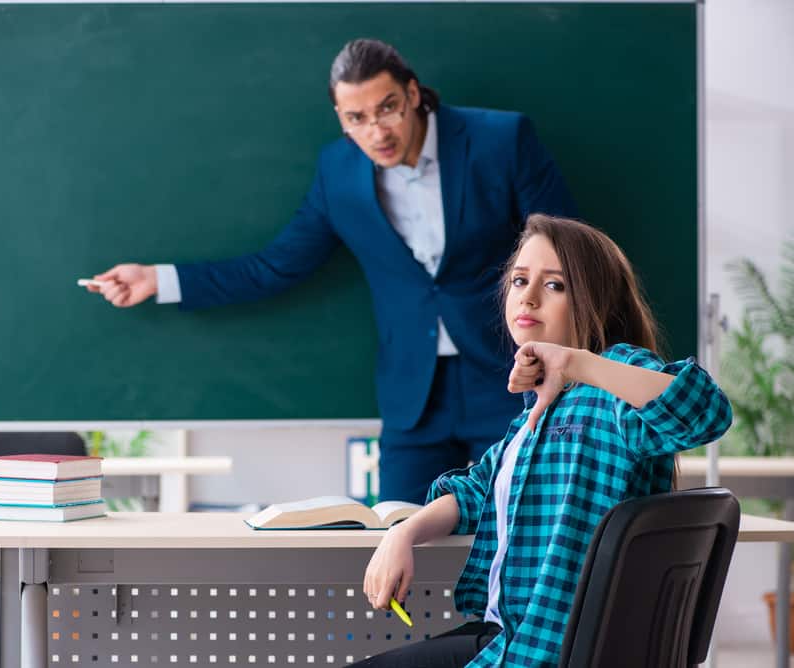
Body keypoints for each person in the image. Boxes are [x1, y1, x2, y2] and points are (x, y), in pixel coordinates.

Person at [89, 39, 576, 504]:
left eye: (387, 108)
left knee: (522, 539)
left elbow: (569, 253)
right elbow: (276, 265)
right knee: (397, 550)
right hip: (413, 398)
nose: (376, 132)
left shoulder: (500, 139)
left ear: (412, 94)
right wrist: (160, 279)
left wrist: (560, 357)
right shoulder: (338, 172)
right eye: (357, 118)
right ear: (341, 119)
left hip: (511, 376)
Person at [352, 214, 733, 667]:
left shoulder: (612, 382)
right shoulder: (542, 409)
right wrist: (404, 532)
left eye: (555, 285)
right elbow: (477, 492)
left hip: (544, 650)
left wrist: (578, 362)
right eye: (518, 280)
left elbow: (706, 412)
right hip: (507, 636)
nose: (527, 297)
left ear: (594, 299)